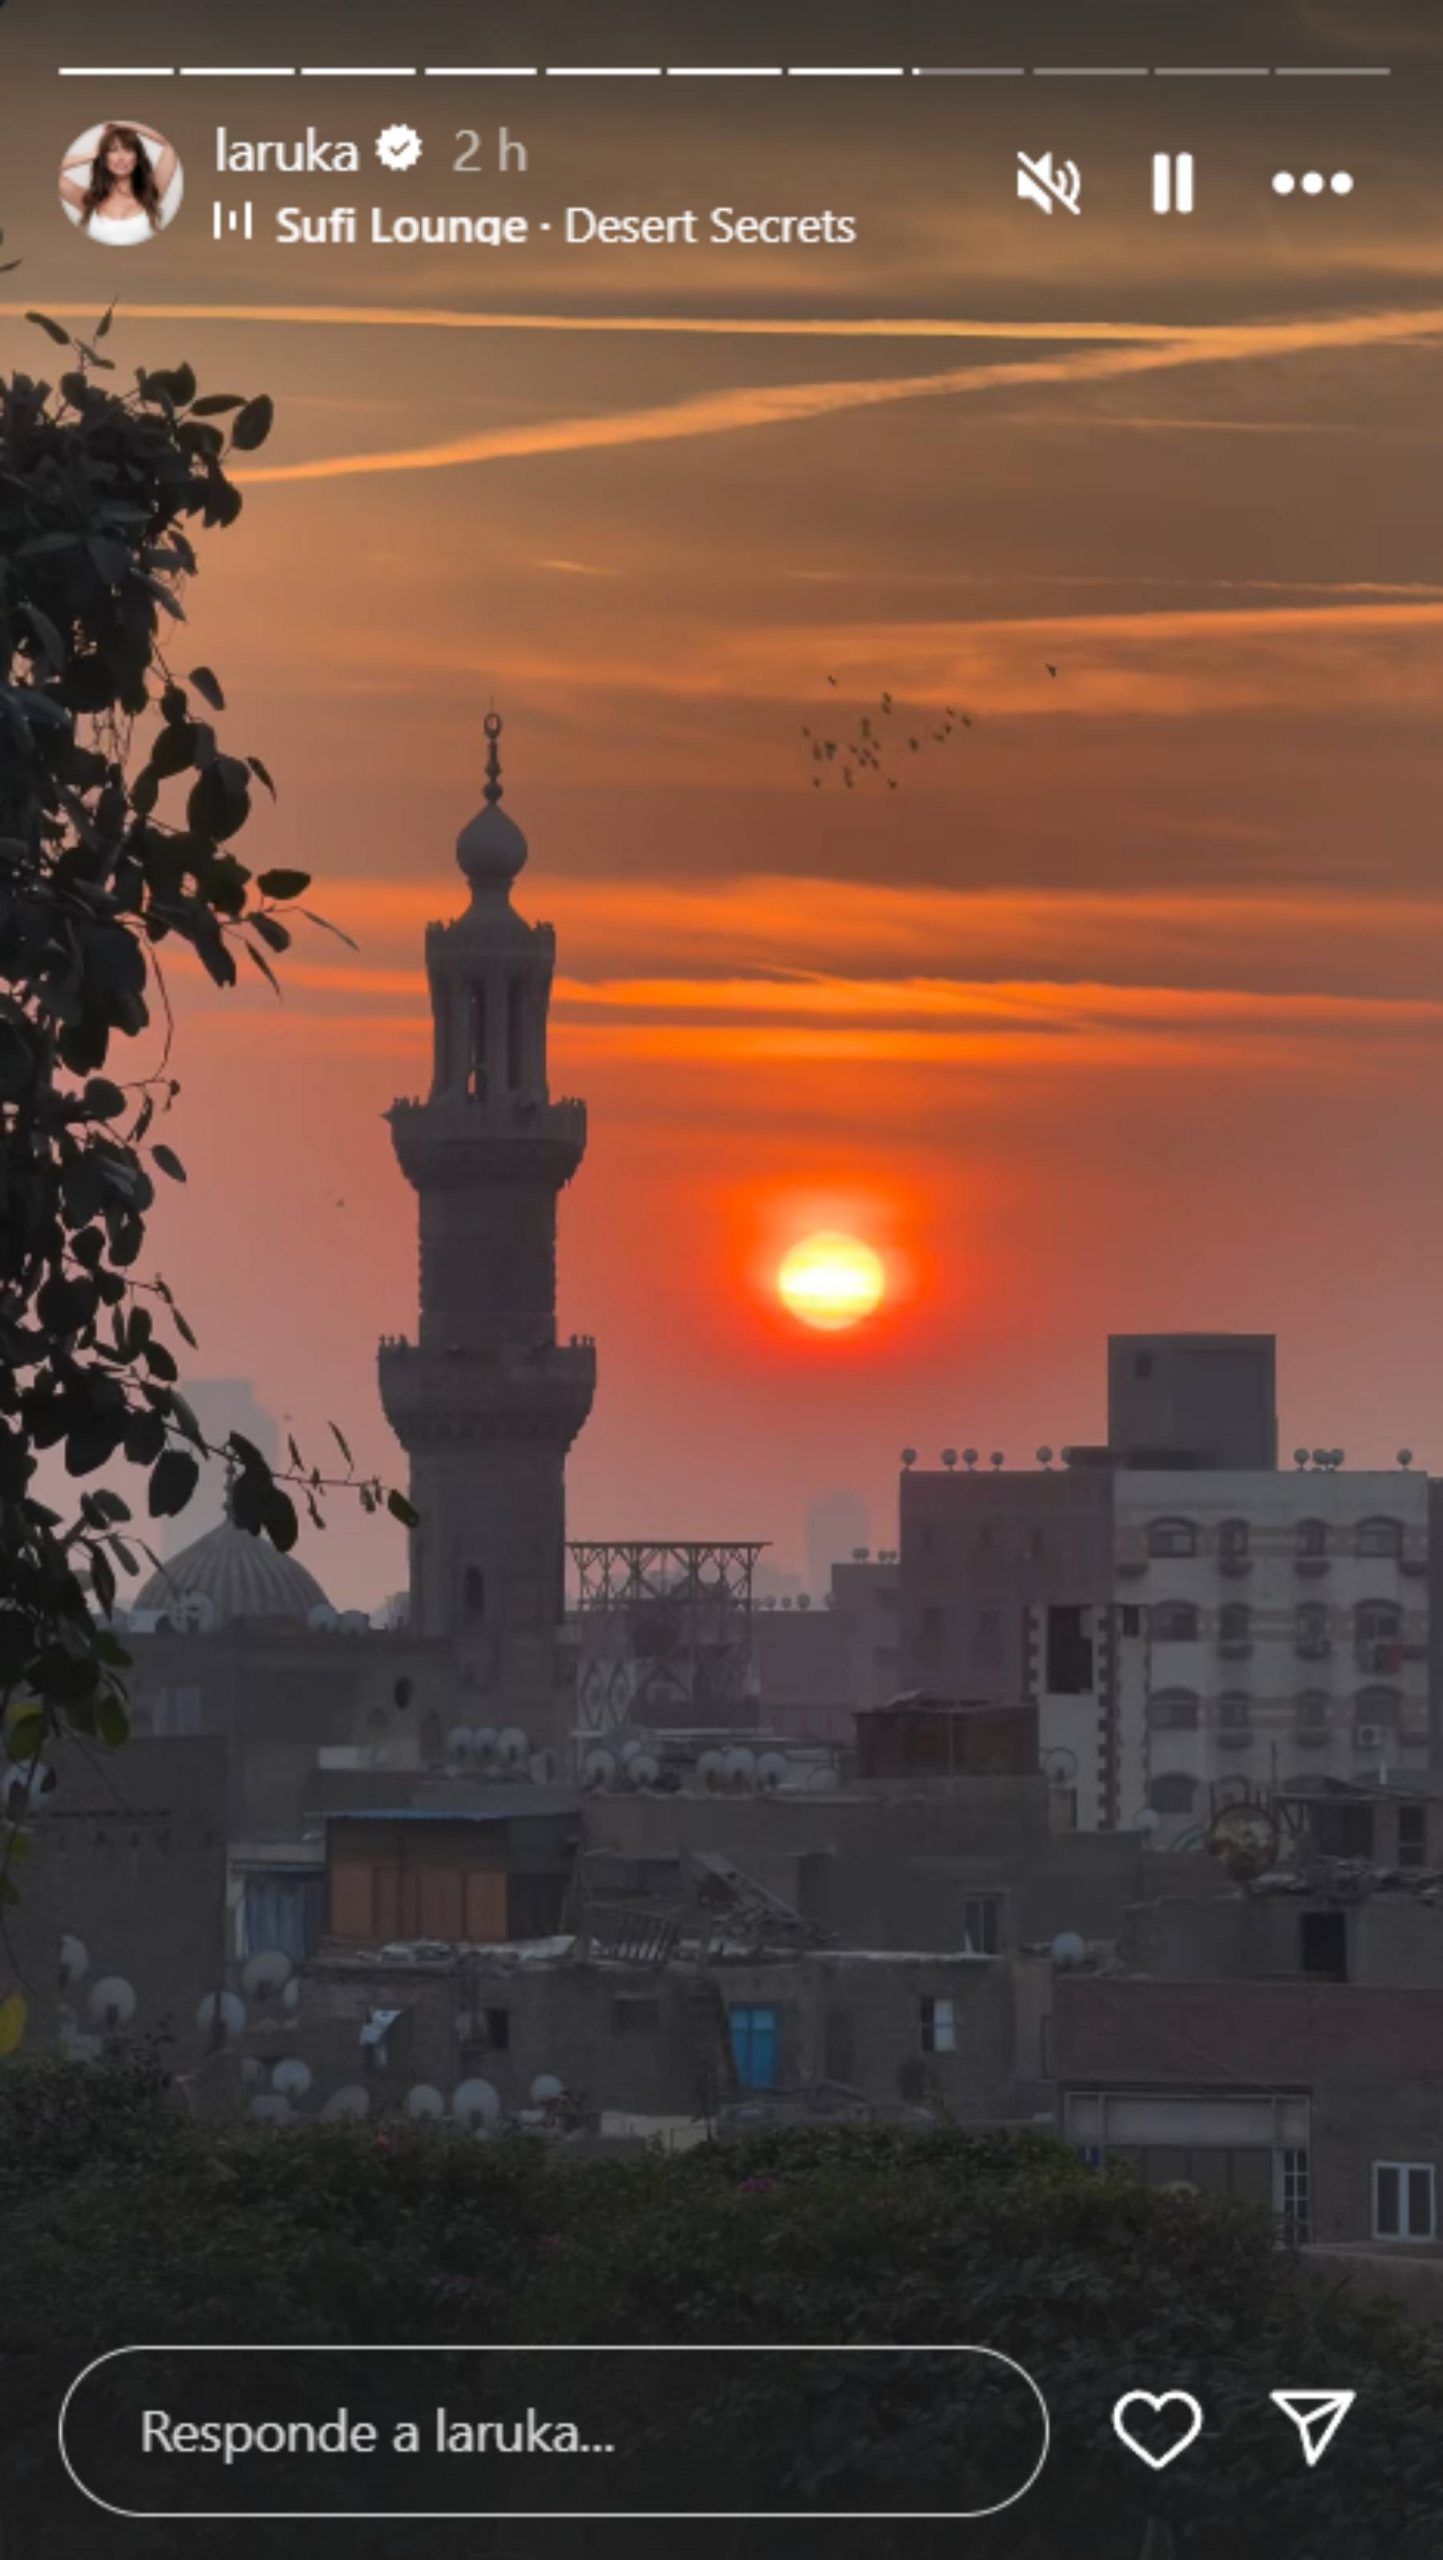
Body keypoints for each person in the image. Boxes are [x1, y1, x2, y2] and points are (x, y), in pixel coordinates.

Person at [60, 123, 179, 244]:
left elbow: (171, 144)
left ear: (137, 158)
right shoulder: (88, 200)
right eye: (113, 150)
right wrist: (92, 155)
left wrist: (123, 123)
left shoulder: (151, 192)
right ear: (104, 158)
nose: (120, 157)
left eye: (128, 149)